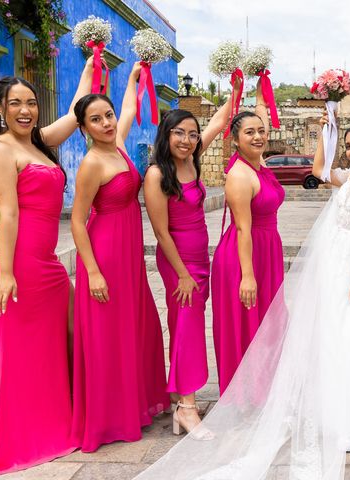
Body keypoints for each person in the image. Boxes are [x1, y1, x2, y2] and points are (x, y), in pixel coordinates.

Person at [135, 118, 350, 480]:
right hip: (318, 261)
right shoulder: (348, 176)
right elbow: (319, 170)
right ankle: (233, 401)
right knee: (331, 333)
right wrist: (327, 131)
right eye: (349, 144)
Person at [0, 59, 93, 475]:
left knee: (60, 337)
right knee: (22, 350)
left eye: (30, 103)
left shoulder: (37, 143)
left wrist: (91, 63)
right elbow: (7, 215)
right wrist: (6, 274)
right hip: (14, 261)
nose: (25, 110)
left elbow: (75, 111)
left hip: (43, 262)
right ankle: (22, 432)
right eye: (15, 104)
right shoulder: (0, 149)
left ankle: (53, 420)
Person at [70, 63, 168, 452]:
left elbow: (129, 108)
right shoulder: (92, 162)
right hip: (105, 253)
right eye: (96, 119)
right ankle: (110, 418)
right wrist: (92, 272)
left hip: (128, 254)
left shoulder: (121, 144)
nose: (107, 123)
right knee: (108, 336)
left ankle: (135, 405)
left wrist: (134, 79)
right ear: (84, 129)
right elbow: (77, 221)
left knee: (134, 326)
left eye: (107, 115)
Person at [143, 78, 241, 436]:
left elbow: (218, 121)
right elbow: (160, 233)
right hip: (178, 262)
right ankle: (186, 407)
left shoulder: (193, 161)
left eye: (192, 134)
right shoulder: (156, 174)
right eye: (179, 133)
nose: (187, 140)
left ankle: (179, 395)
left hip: (201, 258)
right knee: (187, 327)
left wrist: (242, 84)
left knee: (185, 326)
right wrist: (183, 274)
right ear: (166, 135)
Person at [211, 85, 285, 394]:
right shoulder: (240, 175)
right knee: (248, 323)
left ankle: (266, 387)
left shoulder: (261, 164)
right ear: (235, 140)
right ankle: (248, 393)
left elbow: (262, 116)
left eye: (260, 131)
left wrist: (260, 87)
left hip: (267, 249)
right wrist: (248, 276)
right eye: (249, 133)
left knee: (269, 322)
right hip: (246, 254)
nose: (258, 136)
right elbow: (242, 228)